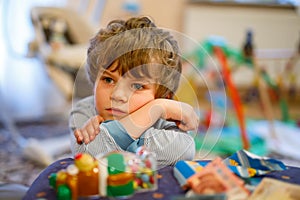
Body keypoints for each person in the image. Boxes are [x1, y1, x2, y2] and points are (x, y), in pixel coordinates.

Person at [69, 16, 199, 166]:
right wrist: (151, 111)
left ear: (163, 96)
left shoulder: (165, 117)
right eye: (108, 80)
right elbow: (86, 152)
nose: (117, 96)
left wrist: (109, 138)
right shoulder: (85, 109)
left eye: (137, 86)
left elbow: (184, 150)